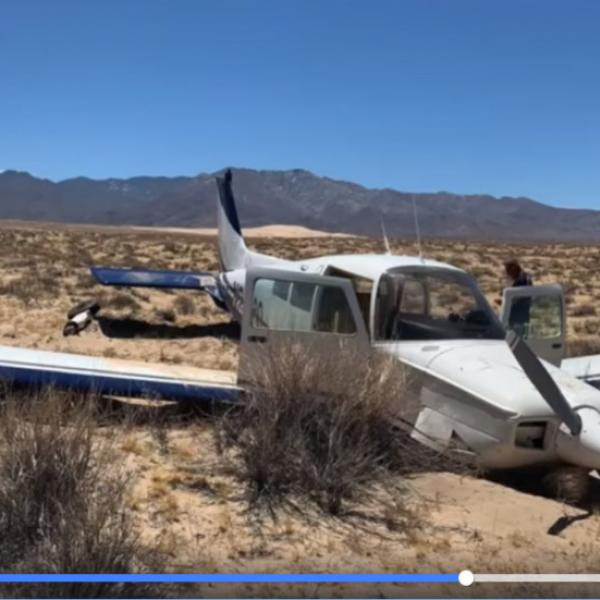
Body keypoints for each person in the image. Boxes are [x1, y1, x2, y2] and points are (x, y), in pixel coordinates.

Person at [500, 259, 533, 335]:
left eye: (508, 270)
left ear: (513, 269)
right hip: (523, 316)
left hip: (518, 318)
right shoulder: (524, 278)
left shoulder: (521, 280)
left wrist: (504, 301)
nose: (507, 273)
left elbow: (519, 299)